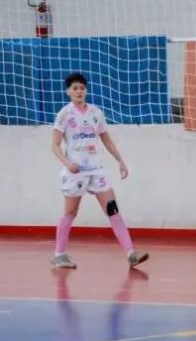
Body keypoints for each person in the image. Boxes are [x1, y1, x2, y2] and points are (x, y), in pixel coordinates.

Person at [50, 73, 149, 270]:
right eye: (75, 88)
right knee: (70, 212)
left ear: (86, 90)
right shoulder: (64, 114)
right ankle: (59, 255)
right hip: (76, 171)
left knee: (112, 209)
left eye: (82, 88)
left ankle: (131, 254)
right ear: (68, 91)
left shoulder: (96, 113)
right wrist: (67, 163)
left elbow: (106, 139)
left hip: (96, 170)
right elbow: (54, 145)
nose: (79, 91)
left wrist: (120, 160)